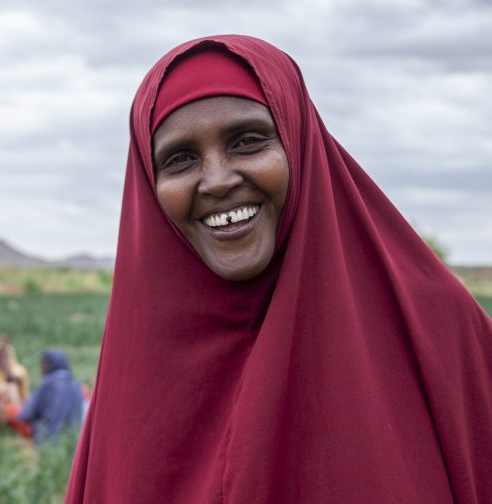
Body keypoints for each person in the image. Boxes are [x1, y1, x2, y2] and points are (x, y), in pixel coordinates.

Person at [66, 35, 492, 503]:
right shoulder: (135, 369)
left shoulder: (435, 328)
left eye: (248, 141)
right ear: (149, 182)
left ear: (298, 141)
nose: (218, 180)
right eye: (180, 158)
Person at [14, 349, 84, 445]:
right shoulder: (76, 384)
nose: (41, 369)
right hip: (75, 441)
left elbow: (24, 414)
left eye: (43, 364)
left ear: (51, 365)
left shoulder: (48, 383)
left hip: (50, 441)